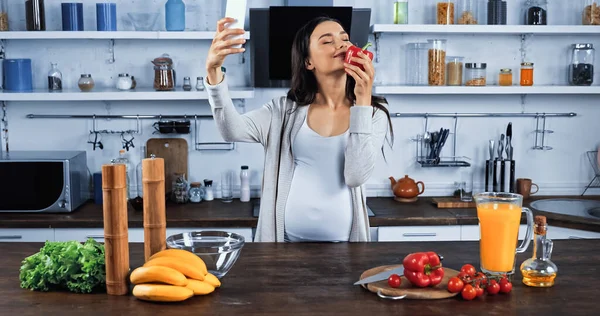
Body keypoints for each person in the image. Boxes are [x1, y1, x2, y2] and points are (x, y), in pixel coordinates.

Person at [204, 16, 393, 242]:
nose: (342, 44)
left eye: (345, 39)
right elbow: (231, 130)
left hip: (346, 251)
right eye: (327, 41)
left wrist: (362, 102)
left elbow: (355, 176)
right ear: (308, 62)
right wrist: (214, 71)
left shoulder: (372, 114)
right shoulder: (283, 112)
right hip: (283, 248)